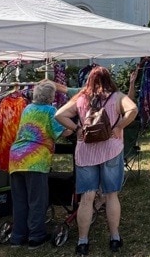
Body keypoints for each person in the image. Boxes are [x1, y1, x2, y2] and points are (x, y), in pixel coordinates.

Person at [55, 66, 138, 255]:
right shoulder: (117, 97)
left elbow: (59, 114)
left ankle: (83, 241)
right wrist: (119, 127)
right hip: (111, 149)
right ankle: (115, 237)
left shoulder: (81, 98)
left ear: (89, 80)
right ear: (109, 78)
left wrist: (77, 129)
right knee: (111, 195)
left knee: (87, 197)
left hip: (86, 152)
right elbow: (133, 109)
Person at [8, 80, 73, 249]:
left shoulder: (27, 109)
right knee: (37, 200)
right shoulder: (51, 111)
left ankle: (17, 236)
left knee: (20, 199)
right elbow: (62, 131)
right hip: (35, 160)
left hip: (16, 157)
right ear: (51, 96)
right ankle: (36, 236)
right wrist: (75, 127)